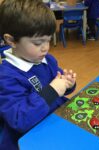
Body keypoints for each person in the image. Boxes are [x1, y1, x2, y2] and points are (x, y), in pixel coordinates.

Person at [0, 0, 76, 150]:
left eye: (48, 40)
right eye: (38, 43)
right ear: (11, 41)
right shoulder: (6, 77)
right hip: (27, 139)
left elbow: (58, 88)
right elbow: (19, 119)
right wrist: (52, 91)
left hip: (53, 123)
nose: (46, 48)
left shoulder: (47, 60)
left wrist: (67, 84)